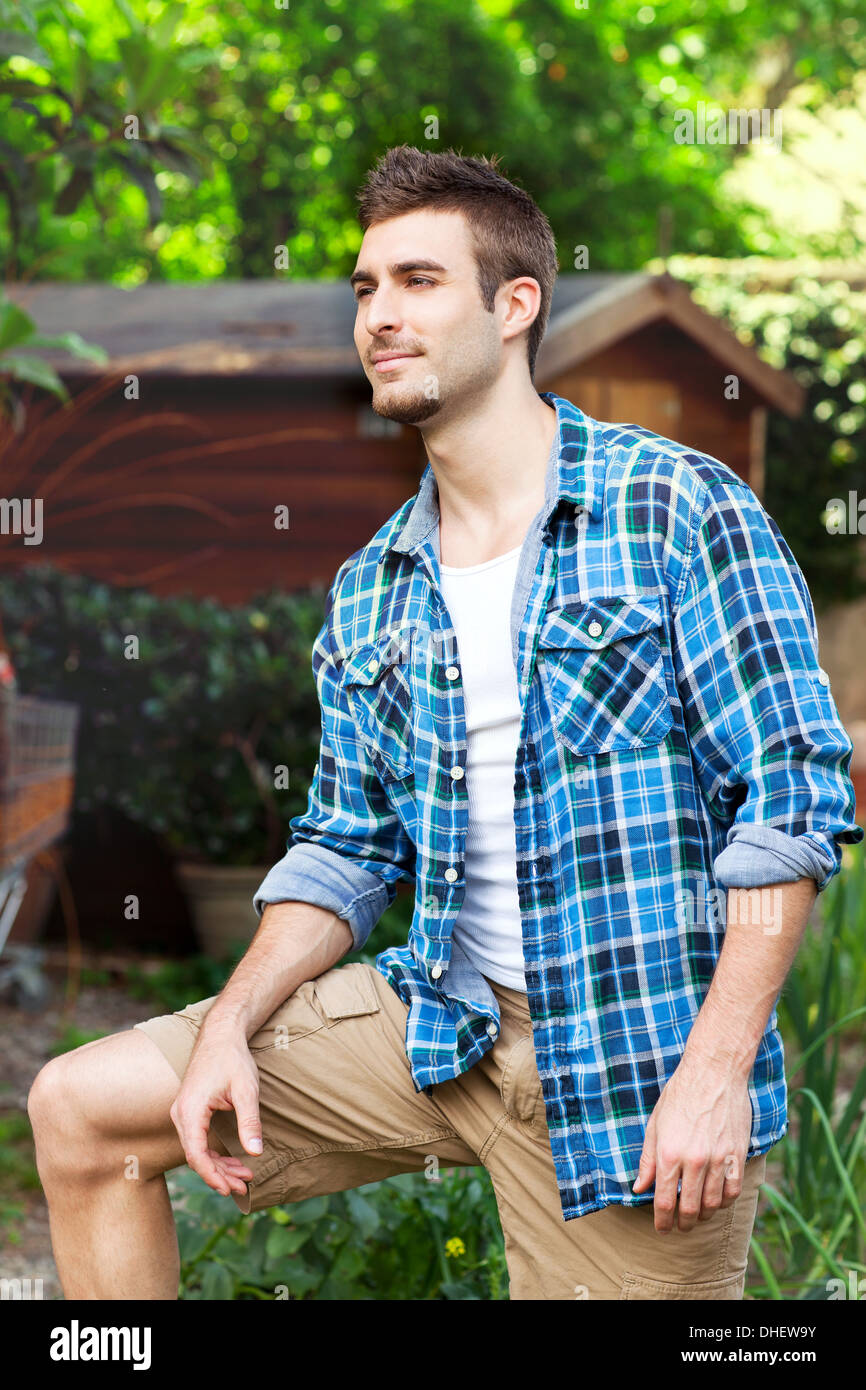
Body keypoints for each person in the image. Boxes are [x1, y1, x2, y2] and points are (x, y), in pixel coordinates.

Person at [28, 145, 863, 1301]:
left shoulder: (674, 507)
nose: (379, 315)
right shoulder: (373, 582)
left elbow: (786, 801)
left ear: (513, 303)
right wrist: (227, 1026)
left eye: (418, 281)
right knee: (81, 1109)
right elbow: (343, 849)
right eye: (366, 289)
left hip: (632, 1061)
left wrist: (713, 1074)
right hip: (437, 1026)